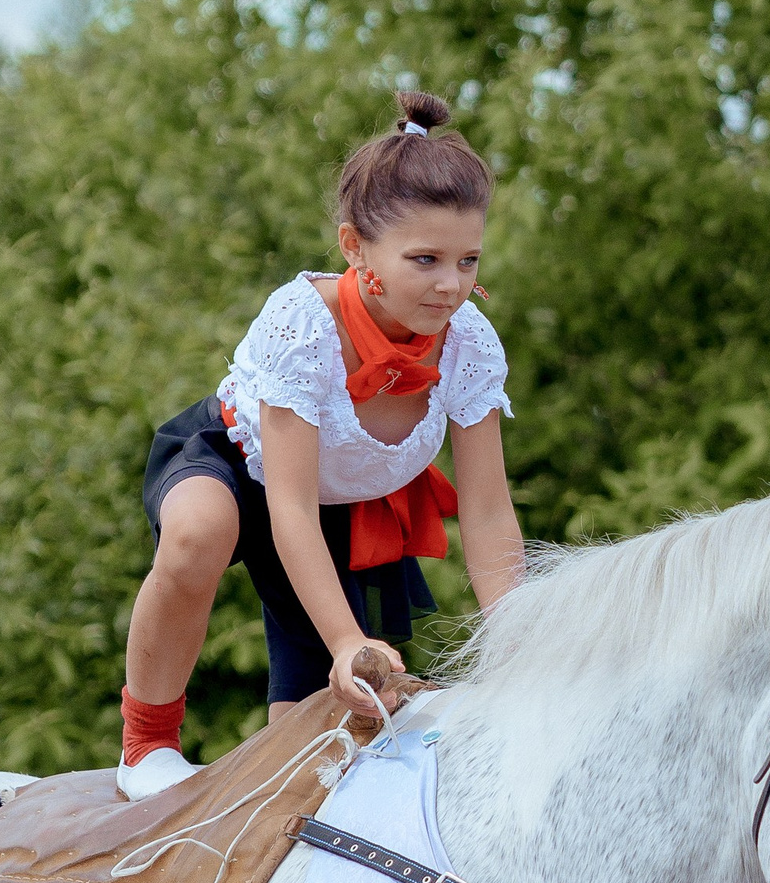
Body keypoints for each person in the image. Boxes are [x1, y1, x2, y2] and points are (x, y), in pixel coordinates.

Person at [117, 92, 528, 797]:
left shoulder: (469, 345)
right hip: (243, 470)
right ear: (354, 246)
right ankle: (145, 742)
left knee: (313, 753)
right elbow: (289, 510)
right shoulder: (302, 323)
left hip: (341, 507)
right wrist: (345, 638)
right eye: (425, 258)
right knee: (198, 533)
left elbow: (488, 514)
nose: (450, 285)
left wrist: (523, 642)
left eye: (468, 261)